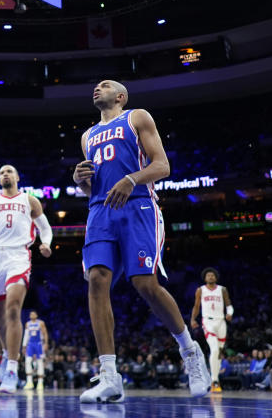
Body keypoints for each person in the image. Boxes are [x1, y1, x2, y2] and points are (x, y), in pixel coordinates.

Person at [72, 80, 211, 403]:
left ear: (120, 97)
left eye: (105, 85)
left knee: (144, 284)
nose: (97, 88)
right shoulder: (87, 136)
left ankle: (190, 352)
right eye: (94, 85)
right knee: (96, 280)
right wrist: (80, 182)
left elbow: (162, 165)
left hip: (138, 206)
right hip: (100, 211)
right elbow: (93, 188)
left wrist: (132, 178)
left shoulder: (136, 117)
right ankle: (109, 376)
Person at [0, 164, 53, 394]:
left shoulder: (30, 200)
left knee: (13, 308)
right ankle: (8, 353)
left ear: (17, 176)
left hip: (18, 255)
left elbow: (44, 229)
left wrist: (45, 243)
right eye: (1, 172)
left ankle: (11, 370)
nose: (5, 174)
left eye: (9, 171)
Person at [190, 267, 233, 393]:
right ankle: (214, 380)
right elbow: (196, 306)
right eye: (208, 275)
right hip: (208, 321)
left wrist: (230, 312)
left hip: (221, 322)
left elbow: (228, 304)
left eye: (212, 275)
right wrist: (193, 319)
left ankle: (215, 379)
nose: (210, 277)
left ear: (216, 277)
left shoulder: (222, 289)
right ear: (204, 278)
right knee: (214, 349)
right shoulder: (200, 290)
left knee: (219, 353)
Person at [23, 311, 50, 391]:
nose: (32, 315)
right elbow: (26, 335)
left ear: (37, 315)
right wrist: (24, 346)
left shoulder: (41, 323)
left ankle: (40, 383)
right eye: (31, 314)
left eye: (34, 314)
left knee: (40, 362)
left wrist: (46, 343)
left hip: (38, 344)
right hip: (30, 344)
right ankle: (29, 382)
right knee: (27, 361)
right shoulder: (27, 324)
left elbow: (45, 333)